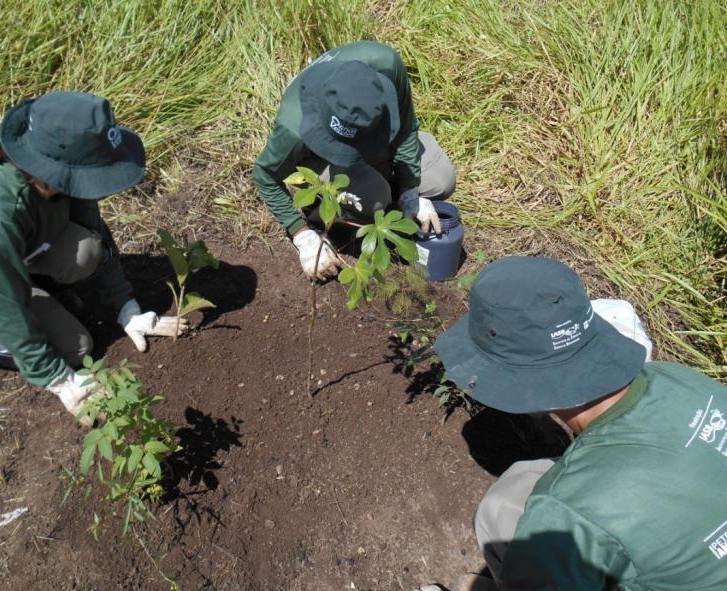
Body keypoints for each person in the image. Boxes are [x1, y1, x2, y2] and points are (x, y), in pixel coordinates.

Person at [428, 256, 727, 590]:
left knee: (500, 514)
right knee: (515, 490)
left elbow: (586, 506)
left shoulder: (566, 508)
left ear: (526, 385)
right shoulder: (677, 379)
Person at [0, 91, 186, 422]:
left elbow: (92, 228)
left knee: (85, 253)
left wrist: (126, 305)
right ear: (54, 174)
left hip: (5, 243)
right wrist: (59, 379)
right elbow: (6, 305)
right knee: (76, 347)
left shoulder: (49, 160)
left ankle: (29, 279)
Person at [253, 40, 456, 280]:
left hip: (377, 138)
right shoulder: (294, 127)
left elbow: (405, 130)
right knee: (374, 197)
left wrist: (410, 188)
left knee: (442, 180)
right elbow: (264, 175)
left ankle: (388, 192)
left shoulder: (388, 67)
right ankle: (327, 213)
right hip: (322, 157)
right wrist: (302, 235)